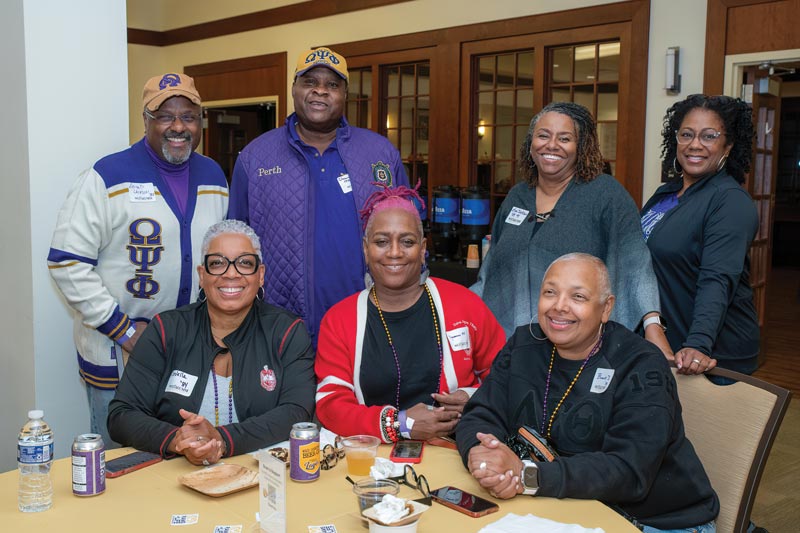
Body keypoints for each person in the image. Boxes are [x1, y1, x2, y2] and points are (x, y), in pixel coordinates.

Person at [456, 253, 719, 533]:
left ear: (606, 308)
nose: (559, 307)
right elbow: (481, 412)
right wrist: (481, 453)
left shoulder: (641, 364)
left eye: (578, 297)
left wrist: (526, 475)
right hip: (560, 505)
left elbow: (628, 470)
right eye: (550, 293)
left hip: (654, 521)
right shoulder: (524, 344)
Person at [48, 73, 228, 447]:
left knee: (180, 455)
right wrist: (125, 331)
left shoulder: (213, 175)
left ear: (200, 122)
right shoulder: (107, 176)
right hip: (117, 351)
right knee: (119, 463)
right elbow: (67, 262)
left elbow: (220, 256)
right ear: (145, 120)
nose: (178, 127)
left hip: (187, 353)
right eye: (165, 116)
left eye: (189, 116)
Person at [229, 47, 410, 345]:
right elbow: (236, 244)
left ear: (345, 95)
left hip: (367, 324)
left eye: (332, 85)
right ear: (294, 89)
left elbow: (407, 237)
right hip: (279, 327)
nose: (320, 91)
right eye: (310, 81)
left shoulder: (380, 154)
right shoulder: (256, 157)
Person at [472, 102, 671, 357]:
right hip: (508, 345)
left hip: (577, 346)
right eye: (543, 135)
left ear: (581, 147)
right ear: (531, 143)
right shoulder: (517, 196)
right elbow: (492, 268)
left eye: (565, 138)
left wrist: (652, 325)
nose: (551, 145)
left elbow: (635, 263)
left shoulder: (606, 194)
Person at [107, 220, 315, 464]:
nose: (230, 273)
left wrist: (222, 439)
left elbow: (297, 413)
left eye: (245, 263)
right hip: (172, 476)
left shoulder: (287, 332)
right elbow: (121, 416)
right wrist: (178, 440)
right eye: (217, 263)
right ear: (201, 275)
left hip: (258, 477)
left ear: (260, 276)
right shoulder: (166, 330)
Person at [315, 185, 506, 442]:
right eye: (382, 241)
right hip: (368, 459)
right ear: (365, 248)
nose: (395, 252)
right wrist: (399, 424)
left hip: (454, 451)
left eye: (407, 241)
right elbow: (330, 406)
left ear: (423, 247)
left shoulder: (464, 304)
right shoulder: (340, 319)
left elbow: (506, 378)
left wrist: (473, 398)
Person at [642, 94, 759, 378]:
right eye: (687, 134)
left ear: (727, 146)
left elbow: (718, 277)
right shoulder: (664, 194)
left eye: (709, 136)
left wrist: (699, 343)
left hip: (713, 352)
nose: (695, 144)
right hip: (668, 340)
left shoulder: (730, 201)